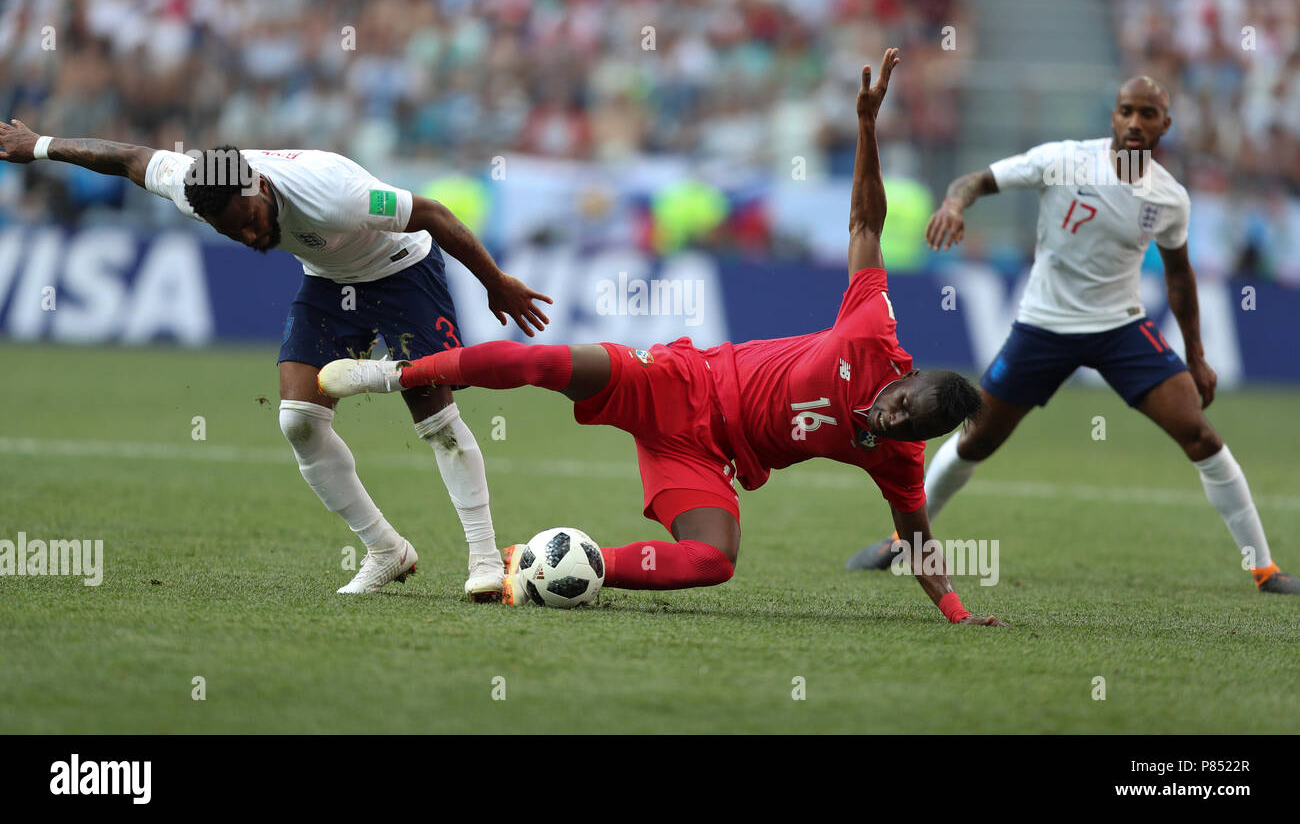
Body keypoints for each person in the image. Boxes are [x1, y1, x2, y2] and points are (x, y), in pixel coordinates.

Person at [320, 51, 1007, 625]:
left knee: (716, 561)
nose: (890, 419)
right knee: (546, 364)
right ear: (909, 376)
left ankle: (551, 570)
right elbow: (864, 225)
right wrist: (866, 125)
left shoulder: (899, 458)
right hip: (679, 382)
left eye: (903, 426)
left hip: (706, 460)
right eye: (900, 404)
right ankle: (393, 376)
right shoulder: (871, 334)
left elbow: (916, 538)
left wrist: (953, 609)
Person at [0, 121, 553, 598]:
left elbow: (432, 213)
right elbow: (127, 158)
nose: (248, 233)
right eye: (231, 231)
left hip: (402, 268)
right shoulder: (198, 185)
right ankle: (386, 550)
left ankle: (483, 559)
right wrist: (39, 144)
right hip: (331, 280)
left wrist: (496, 282)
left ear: (260, 184)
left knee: (434, 416)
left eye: (251, 217)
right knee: (298, 422)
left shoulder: (337, 194)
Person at [845, 76, 1298, 595]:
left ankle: (1265, 569)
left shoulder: (1170, 198)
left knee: (1200, 435)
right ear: (1113, 116)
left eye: (1148, 114)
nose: (1135, 122)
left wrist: (1196, 355)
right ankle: (901, 542)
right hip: (1044, 325)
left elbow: (1179, 276)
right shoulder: (1062, 159)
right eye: (1126, 110)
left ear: (1164, 125)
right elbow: (976, 180)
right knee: (976, 437)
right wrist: (953, 205)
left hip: (1119, 327)